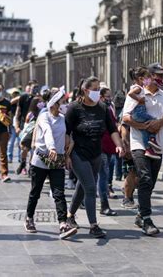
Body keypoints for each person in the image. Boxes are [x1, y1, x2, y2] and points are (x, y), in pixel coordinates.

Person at [66, 76, 124, 238]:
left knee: (82, 187)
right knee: (91, 188)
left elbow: (112, 129)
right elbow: (66, 132)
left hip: (96, 154)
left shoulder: (103, 107)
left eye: (99, 89)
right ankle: (93, 225)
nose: (98, 92)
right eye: (95, 89)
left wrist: (118, 144)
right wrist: (66, 155)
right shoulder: (74, 108)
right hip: (78, 154)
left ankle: (70, 216)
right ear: (86, 90)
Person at [122, 62, 163, 236]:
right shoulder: (136, 93)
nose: (162, 78)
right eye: (158, 75)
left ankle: (140, 214)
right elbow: (126, 118)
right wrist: (144, 126)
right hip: (139, 144)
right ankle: (146, 218)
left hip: (157, 145)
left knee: (149, 182)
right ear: (148, 77)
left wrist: (159, 123)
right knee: (144, 177)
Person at [24, 87, 77, 239]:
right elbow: (47, 132)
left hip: (58, 160)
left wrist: (66, 155)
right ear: (54, 104)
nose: (65, 104)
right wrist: (51, 148)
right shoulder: (44, 117)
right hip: (41, 159)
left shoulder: (62, 119)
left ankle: (62, 223)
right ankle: (29, 218)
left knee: (59, 193)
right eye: (62, 102)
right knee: (36, 191)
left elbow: (67, 138)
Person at [127, 67, 162, 159]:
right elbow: (130, 93)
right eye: (148, 77)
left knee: (144, 130)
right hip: (139, 112)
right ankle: (152, 139)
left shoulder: (140, 87)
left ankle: (148, 149)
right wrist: (139, 100)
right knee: (154, 121)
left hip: (138, 113)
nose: (150, 80)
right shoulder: (138, 88)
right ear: (141, 79)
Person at [99, 87, 118, 216]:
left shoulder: (108, 108)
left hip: (108, 146)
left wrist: (119, 144)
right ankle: (103, 204)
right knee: (100, 176)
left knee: (102, 175)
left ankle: (103, 204)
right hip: (96, 147)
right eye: (107, 96)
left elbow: (113, 127)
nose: (109, 98)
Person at [7, 88, 22, 163]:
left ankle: (20, 157)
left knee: (20, 143)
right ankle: (9, 157)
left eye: (17, 93)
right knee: (11, 142)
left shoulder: (21, 102)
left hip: (19, 125)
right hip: (12, 125)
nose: (15, 94)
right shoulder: (11, 102)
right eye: (14, 93)